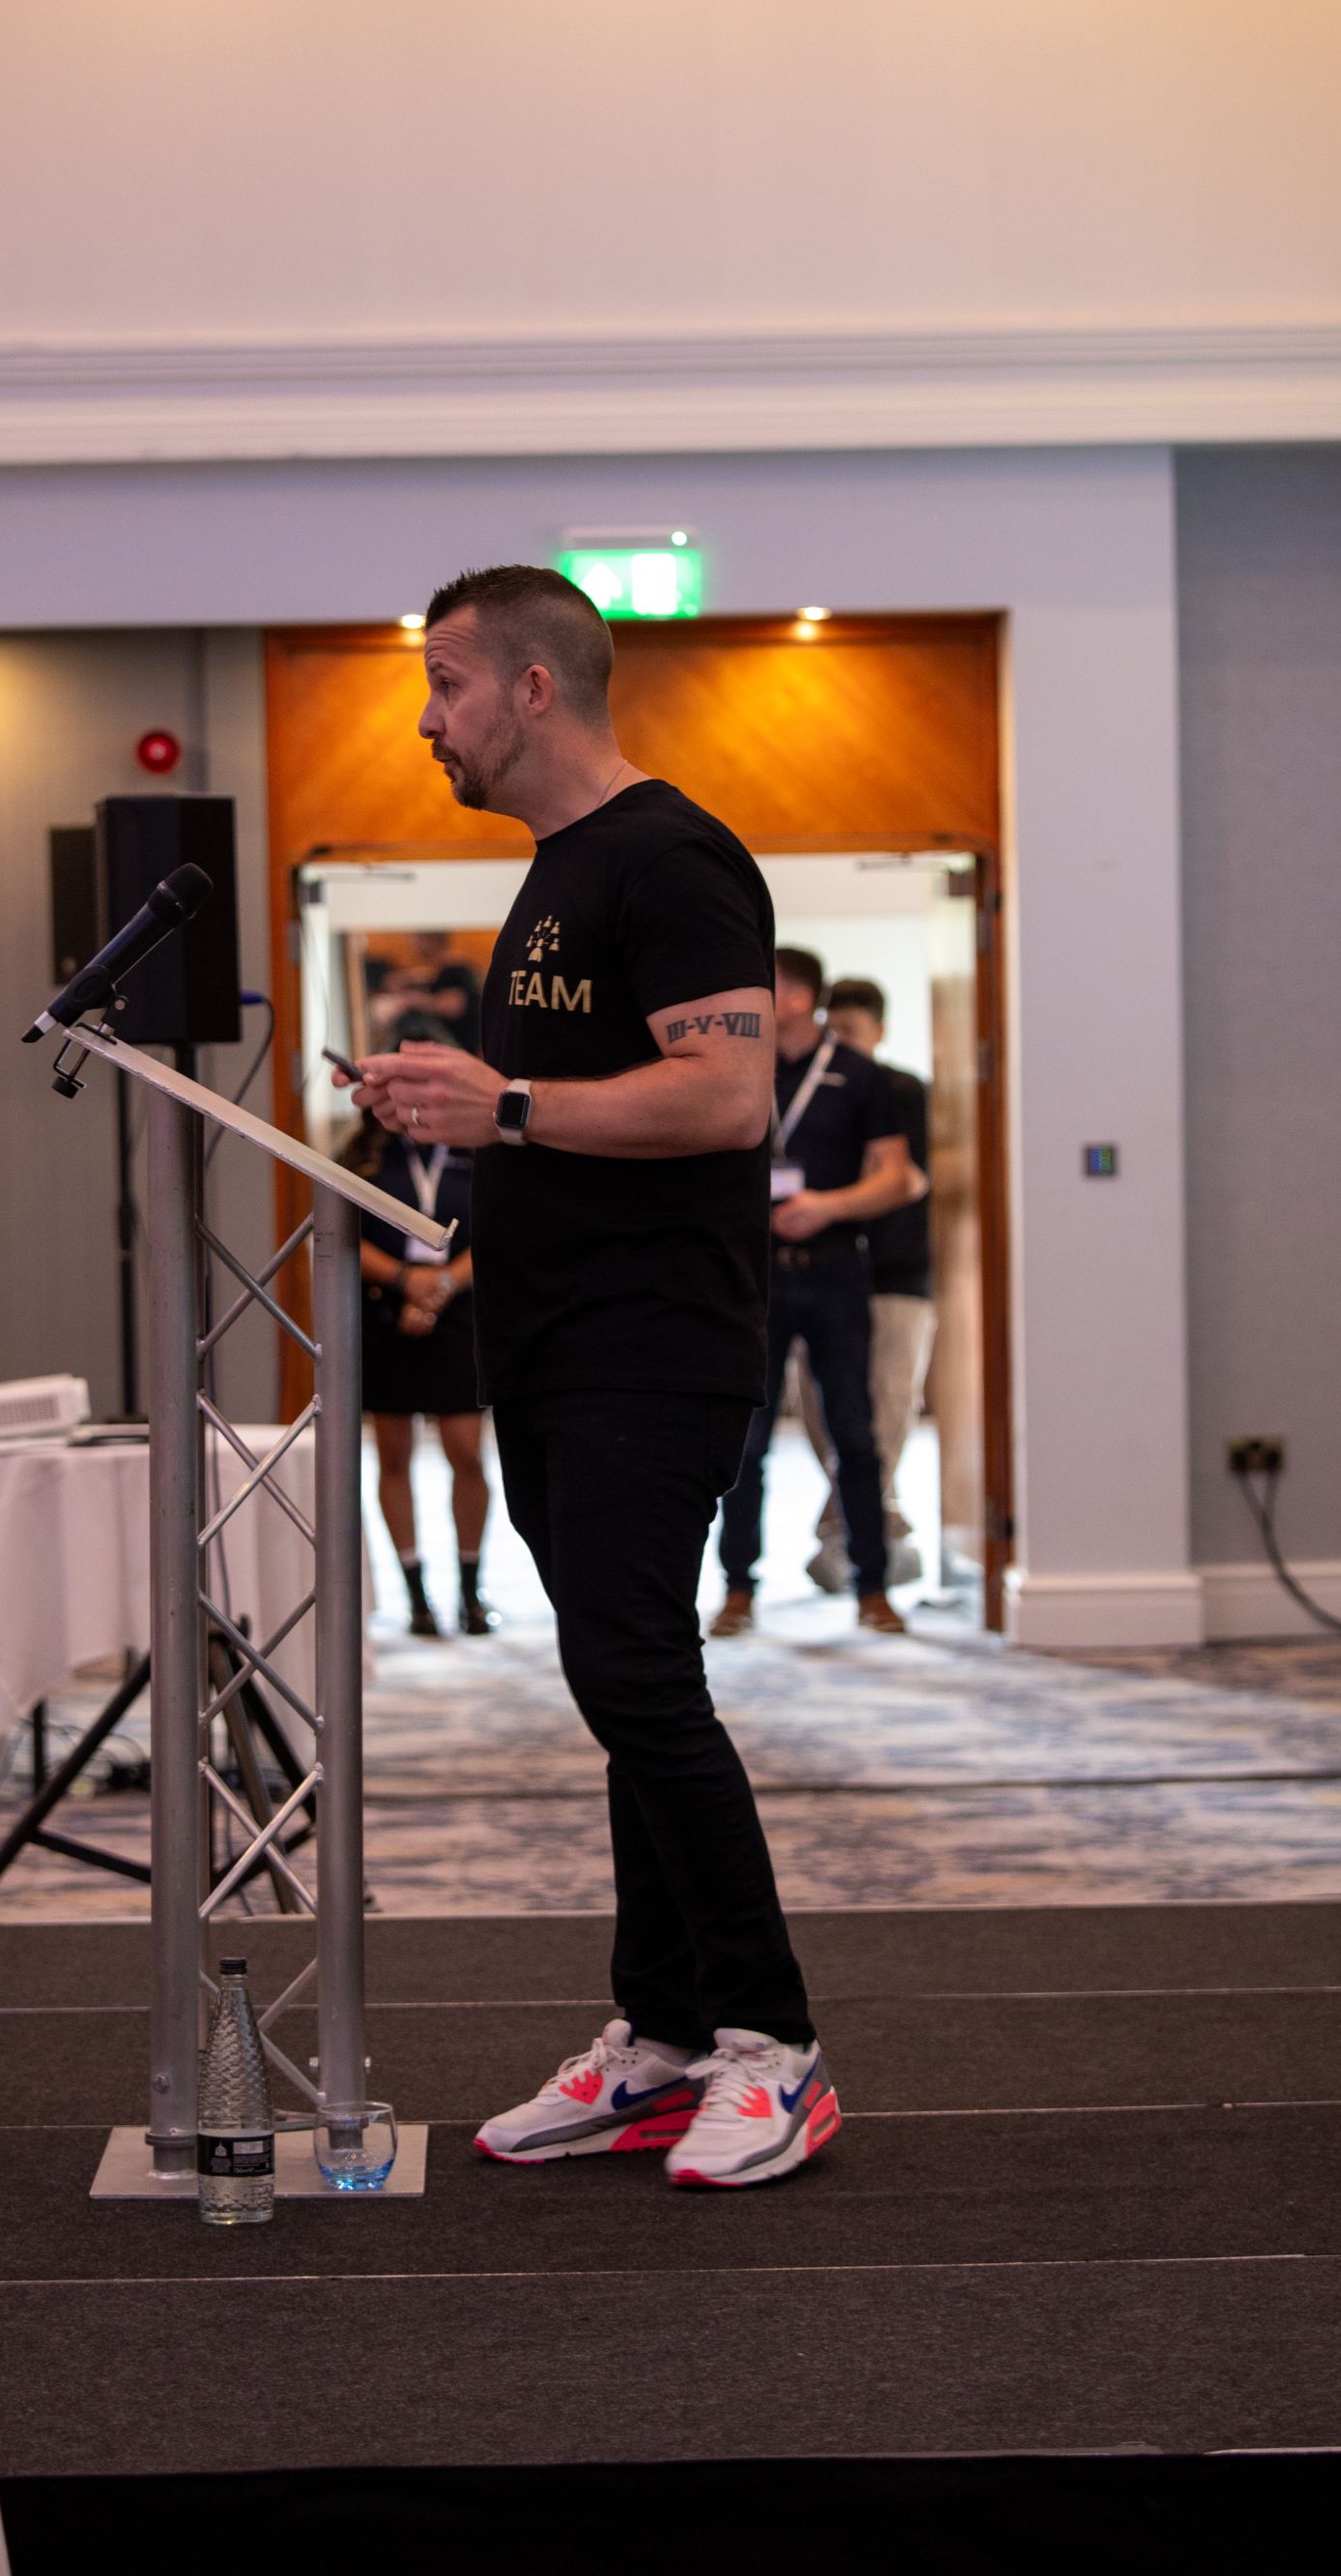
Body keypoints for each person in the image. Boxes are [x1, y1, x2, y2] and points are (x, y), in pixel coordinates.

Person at [344, 563, 837, 2191]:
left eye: (446, 683)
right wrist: (456, 1102)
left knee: (640, 1680)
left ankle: (773, 2042)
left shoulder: (671, 856)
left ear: (534, 687)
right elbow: (565, 1100)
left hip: (654, 1344)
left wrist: (505, 1108)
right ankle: (667, 2033)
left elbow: (724, 1099)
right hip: (551, 1343)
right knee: (620, 1685)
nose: (428, 721)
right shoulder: (556, 873)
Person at [710, 950, 920, 1637]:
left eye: (761, 987)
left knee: (853, 1435)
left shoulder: (860, 1075)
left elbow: (896, 1177)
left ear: (797, 998)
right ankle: (737, 1590)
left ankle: (872, 1588)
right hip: (758, 1276)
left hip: (836, 1271)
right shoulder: (737, 1068)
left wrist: (828, 1206)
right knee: (746, 1441)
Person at [346, 1109, 495, 1637]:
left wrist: (441, 1286)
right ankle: (416, 1596)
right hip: (384, 1307)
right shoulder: (364, 1156)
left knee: (466, 1453)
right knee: (393, 1456)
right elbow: (340, 1232)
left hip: (462, 1307)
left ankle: (471, 1592)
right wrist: (406, 1280)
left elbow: (500, 1230)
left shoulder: (476, 1149)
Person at [819, 976, 936, 1588]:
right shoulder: (812, 1090)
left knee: (891, 1400)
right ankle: (877, 1520)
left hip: (899, 1270)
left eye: (852, 1033)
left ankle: (841, 1527)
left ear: (880, 1032)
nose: (840, 1044)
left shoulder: (904, 1092)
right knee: (826, 1406)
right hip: (827, 1269)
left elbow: (910, 1180)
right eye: (832, 1031)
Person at [370, 930, 483, 1054]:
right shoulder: (446, 969)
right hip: (454, 1042)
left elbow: (452, 1005)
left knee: (410, 1021)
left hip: (457, 1045)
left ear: (429, 940)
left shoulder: (457, 971)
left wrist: (408, 1001)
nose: (413, 944)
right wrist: (405, 980)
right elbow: (429, 977)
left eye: (417, 938)